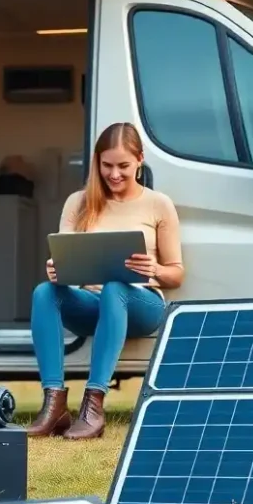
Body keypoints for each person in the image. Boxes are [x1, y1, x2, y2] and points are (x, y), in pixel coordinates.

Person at [27, 122, 184, 440]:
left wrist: (154, 268)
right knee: (45, 292)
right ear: (97, 162)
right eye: (107, 165)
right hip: (93, 304)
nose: (114, 174)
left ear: (139, 160)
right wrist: (58, 270)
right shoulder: (78, 202)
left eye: (123, 166)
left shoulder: (158, 204)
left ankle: (93, 407)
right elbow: (64, 258)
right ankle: (54, 405)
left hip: (141, 304)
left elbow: (176, 273)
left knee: (115, 288)